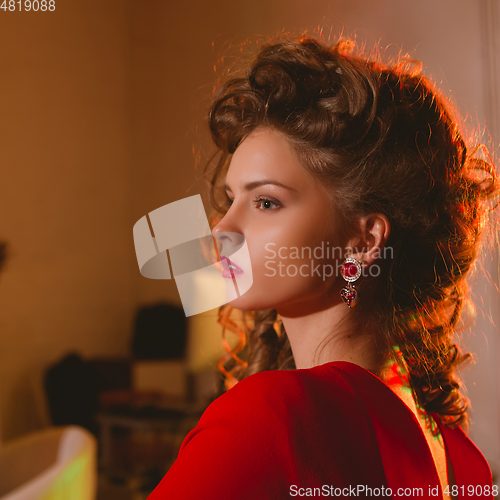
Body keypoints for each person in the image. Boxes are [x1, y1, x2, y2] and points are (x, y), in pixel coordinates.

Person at [147, 34, 498, 499]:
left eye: (267, 201)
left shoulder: (270, 419)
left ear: (364, 240)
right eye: (231, 200)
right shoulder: (455, 453)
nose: (220, 230)